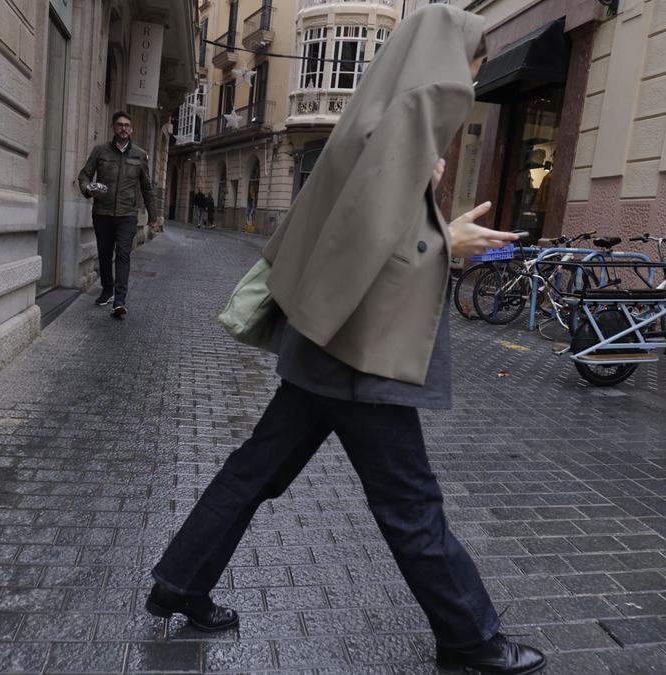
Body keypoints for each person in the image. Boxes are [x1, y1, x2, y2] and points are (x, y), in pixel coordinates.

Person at [146, 6, 545, 674]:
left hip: (322, 342)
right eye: (474, 62)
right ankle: (470, 638)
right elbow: (364, 241)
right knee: (410, 502)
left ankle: (179, 583)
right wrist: (450, 241)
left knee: (254, 471)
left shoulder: (375, 108)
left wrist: (428, 194)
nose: (475, 78)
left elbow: (343, 218)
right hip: (359, 348)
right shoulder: (415, 109)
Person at [79, 111, 160, 319]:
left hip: (127, 214)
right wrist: (89, 189)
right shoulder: (100, 151)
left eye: (127, 125)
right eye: (120, 125)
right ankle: (107, 289)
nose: (124, 128)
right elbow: (85, 175)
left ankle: (120, 301)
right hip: (102, 213)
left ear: (131, 129)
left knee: (123, 254)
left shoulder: (140, 156)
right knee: (105, 254)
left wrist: (153, 215)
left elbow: (147, 188)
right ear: (113, 127)